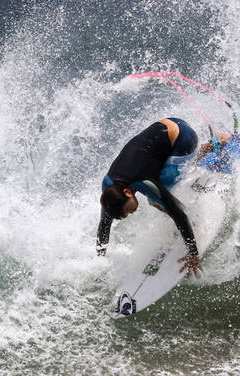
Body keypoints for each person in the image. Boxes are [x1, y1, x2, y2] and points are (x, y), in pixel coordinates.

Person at [97, 117, 229, 278]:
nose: (131, 212)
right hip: (165, 127)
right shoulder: (110, 189)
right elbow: (104, 224)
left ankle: (214, 144)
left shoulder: (144, 181)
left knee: (158, 198)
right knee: (159, 193)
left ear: (127, 192)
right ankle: (205, 149)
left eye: (128, 210)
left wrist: (193, 253)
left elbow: (178, 215)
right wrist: (100, 260)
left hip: (183, 138)